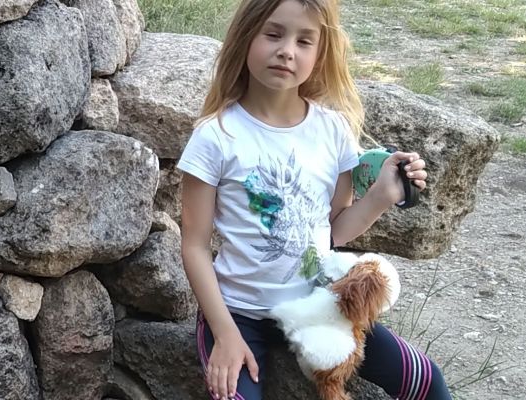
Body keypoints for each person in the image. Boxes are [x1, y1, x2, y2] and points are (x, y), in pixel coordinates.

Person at [174, 1, 452, 399]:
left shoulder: (333, 130)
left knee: (427, 380)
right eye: (273, 34)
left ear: (321, 54)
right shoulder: (216, 137)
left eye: (304, 41)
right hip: (239, 313)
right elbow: (195, 245)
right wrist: (224, 333)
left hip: (320, 306)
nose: (287, 50)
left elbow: (335, 228)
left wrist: (382, 195)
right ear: (245, 37)